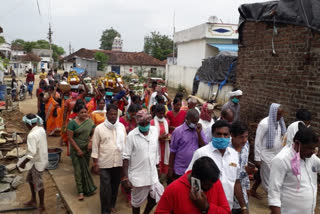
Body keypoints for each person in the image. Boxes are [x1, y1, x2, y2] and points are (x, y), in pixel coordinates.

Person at [187, 120, 240, 210]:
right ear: (212, 135)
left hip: (226, 207)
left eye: (225, 134)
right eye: (218, 134)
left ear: (230, 135)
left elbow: (235, 181)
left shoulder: (234, 154)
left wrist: (243, 206)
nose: (222, 137)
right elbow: (190, 176)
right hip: (204, 206)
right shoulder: (201, 153)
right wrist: (198, 198)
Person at [268, 127, 320, 214]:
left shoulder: (310, 157)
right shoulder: (281, 160)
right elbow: (274, 193)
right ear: (297, 143)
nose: (313, 152)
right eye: (309, 148)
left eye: (314, 148)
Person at [122, 110, 164, 214]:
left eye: (146, 123)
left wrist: (158, 167)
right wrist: (126, 177)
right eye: (142, 123)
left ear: (150, 121)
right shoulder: (131, 136)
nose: (145, 125)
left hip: (152, 173)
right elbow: (125, 158)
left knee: (158, 194)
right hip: (138, 177)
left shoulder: (154, 131)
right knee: (136, 203)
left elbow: (156, 150)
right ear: (138, 123)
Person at [155, 157, 231, 214]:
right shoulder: (173, 188)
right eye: (207, 185)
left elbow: (226, 212)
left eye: (212, 184)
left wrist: (206, 207)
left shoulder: (215, 183)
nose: (211, 187)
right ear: (195, 179)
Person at [91, 104, 127, 214]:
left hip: (118, 162)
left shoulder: (121, 127)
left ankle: (112, 205)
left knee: (115, 186)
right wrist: (95, 163)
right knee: (105, 188)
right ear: (107, 114)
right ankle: (104, 210)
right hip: (104, 163)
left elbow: (125, 144)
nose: (113, 116)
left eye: (115, 114)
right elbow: (95, 147)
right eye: (111, 114)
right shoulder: (99, 129)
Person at [19, 114, 48, 214]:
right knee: (31, 180)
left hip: (36, 162)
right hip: (41, 158)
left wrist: (22, 163)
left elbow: (31, 153)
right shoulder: (41, 129)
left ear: (28, 124)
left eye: (25, 124)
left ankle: (42, 205)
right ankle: (33, 200)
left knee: (38, 184)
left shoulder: (32, 135)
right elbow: (37, 141)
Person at [167, 109, 207, 182]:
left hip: (194, 170)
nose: (194, 124)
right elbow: (173, 151)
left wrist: (198, 134)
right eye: (193, 121)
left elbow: (203, 147)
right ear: (187, 119)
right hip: (180, 170)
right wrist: (170, 168)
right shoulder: (178, 131)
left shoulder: (199, 130)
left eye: (196, 122)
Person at [67, 105, 97, 200]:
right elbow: (70, 138)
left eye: (85, 112)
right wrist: (78, 150)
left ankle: (87, 188)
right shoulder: (72, 124)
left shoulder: (90, 122)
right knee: (78, 170)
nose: (84, 114)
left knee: (86, 168)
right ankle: (80, 191)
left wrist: (90, 142)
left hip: (87, 149)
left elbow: (93, 133)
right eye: (82, 112)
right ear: (77, 113)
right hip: (76, 149)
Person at [254, 103, 286, 191]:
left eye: (281, 114)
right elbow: (258, 141)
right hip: (266, 155)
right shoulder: (264, 124)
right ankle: (273, 200)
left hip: (277, 154)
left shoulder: (280, 123)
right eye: (278, 114)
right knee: (268, 179)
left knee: (274, 177)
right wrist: (257, 158)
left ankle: (254, 190)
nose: (280, 116)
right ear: (273, 112)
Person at [229, 121, 251, 214]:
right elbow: (233, 179)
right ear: (232, 136)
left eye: (246, 136)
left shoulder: (246, 145)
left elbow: (244, 167)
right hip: (230, 197)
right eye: (241, 137)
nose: (245, 140)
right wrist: (243, 207)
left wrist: (247, 188)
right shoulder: (226, 151)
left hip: (243, 194)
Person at [151, 104, 170, 177]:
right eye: (160, 113)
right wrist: (159, 138)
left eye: (163, 113)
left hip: (164, 146)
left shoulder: (167, 121)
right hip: (156, 146)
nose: (162, 115)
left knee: (163, 161)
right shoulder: (152, 122)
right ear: (156, 113)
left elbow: (167, 132)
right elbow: (150, 136)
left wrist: (168, 136)